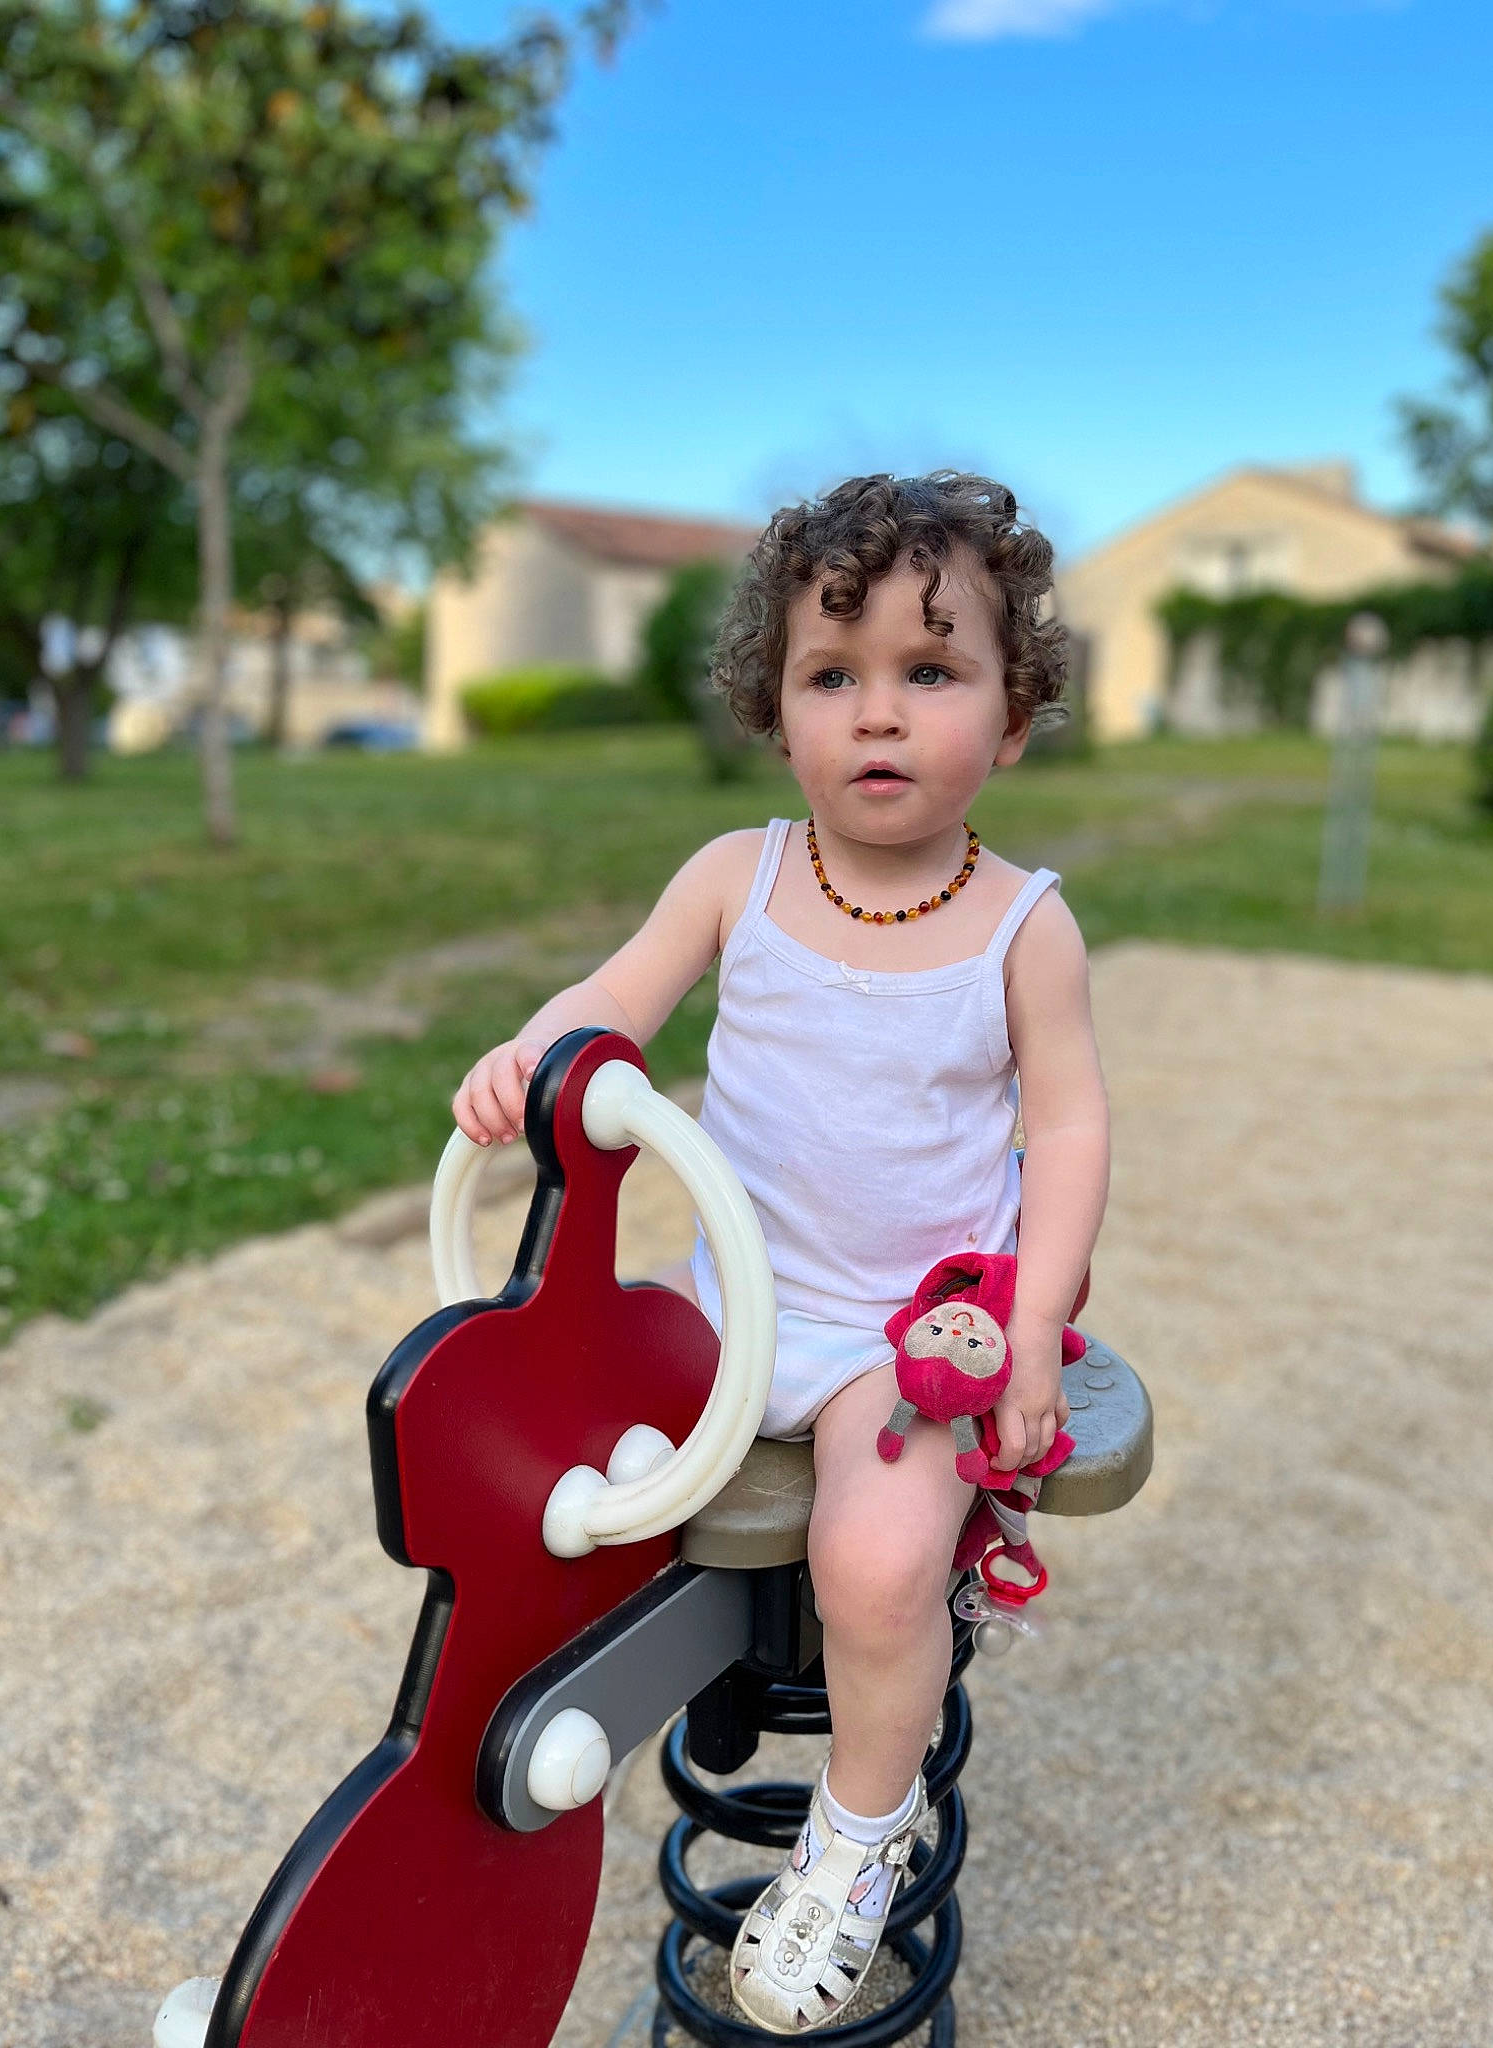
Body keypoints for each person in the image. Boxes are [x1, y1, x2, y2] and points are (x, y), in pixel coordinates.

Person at [453, 471, 1111, 2034]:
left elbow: (1071, 1131)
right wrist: (530, 1058)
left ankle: (854, 1839)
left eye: (931, 671)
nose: (877, 715)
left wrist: (1027, 1340)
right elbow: (609, 1004)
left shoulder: (1025, 928)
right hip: (728, 1313)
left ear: (1014, 720)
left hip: (904, 1338)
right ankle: (603, 1714)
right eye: (835, 674)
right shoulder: (735, 880)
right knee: (539, 1466)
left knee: (877, 1564)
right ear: (776, 706)